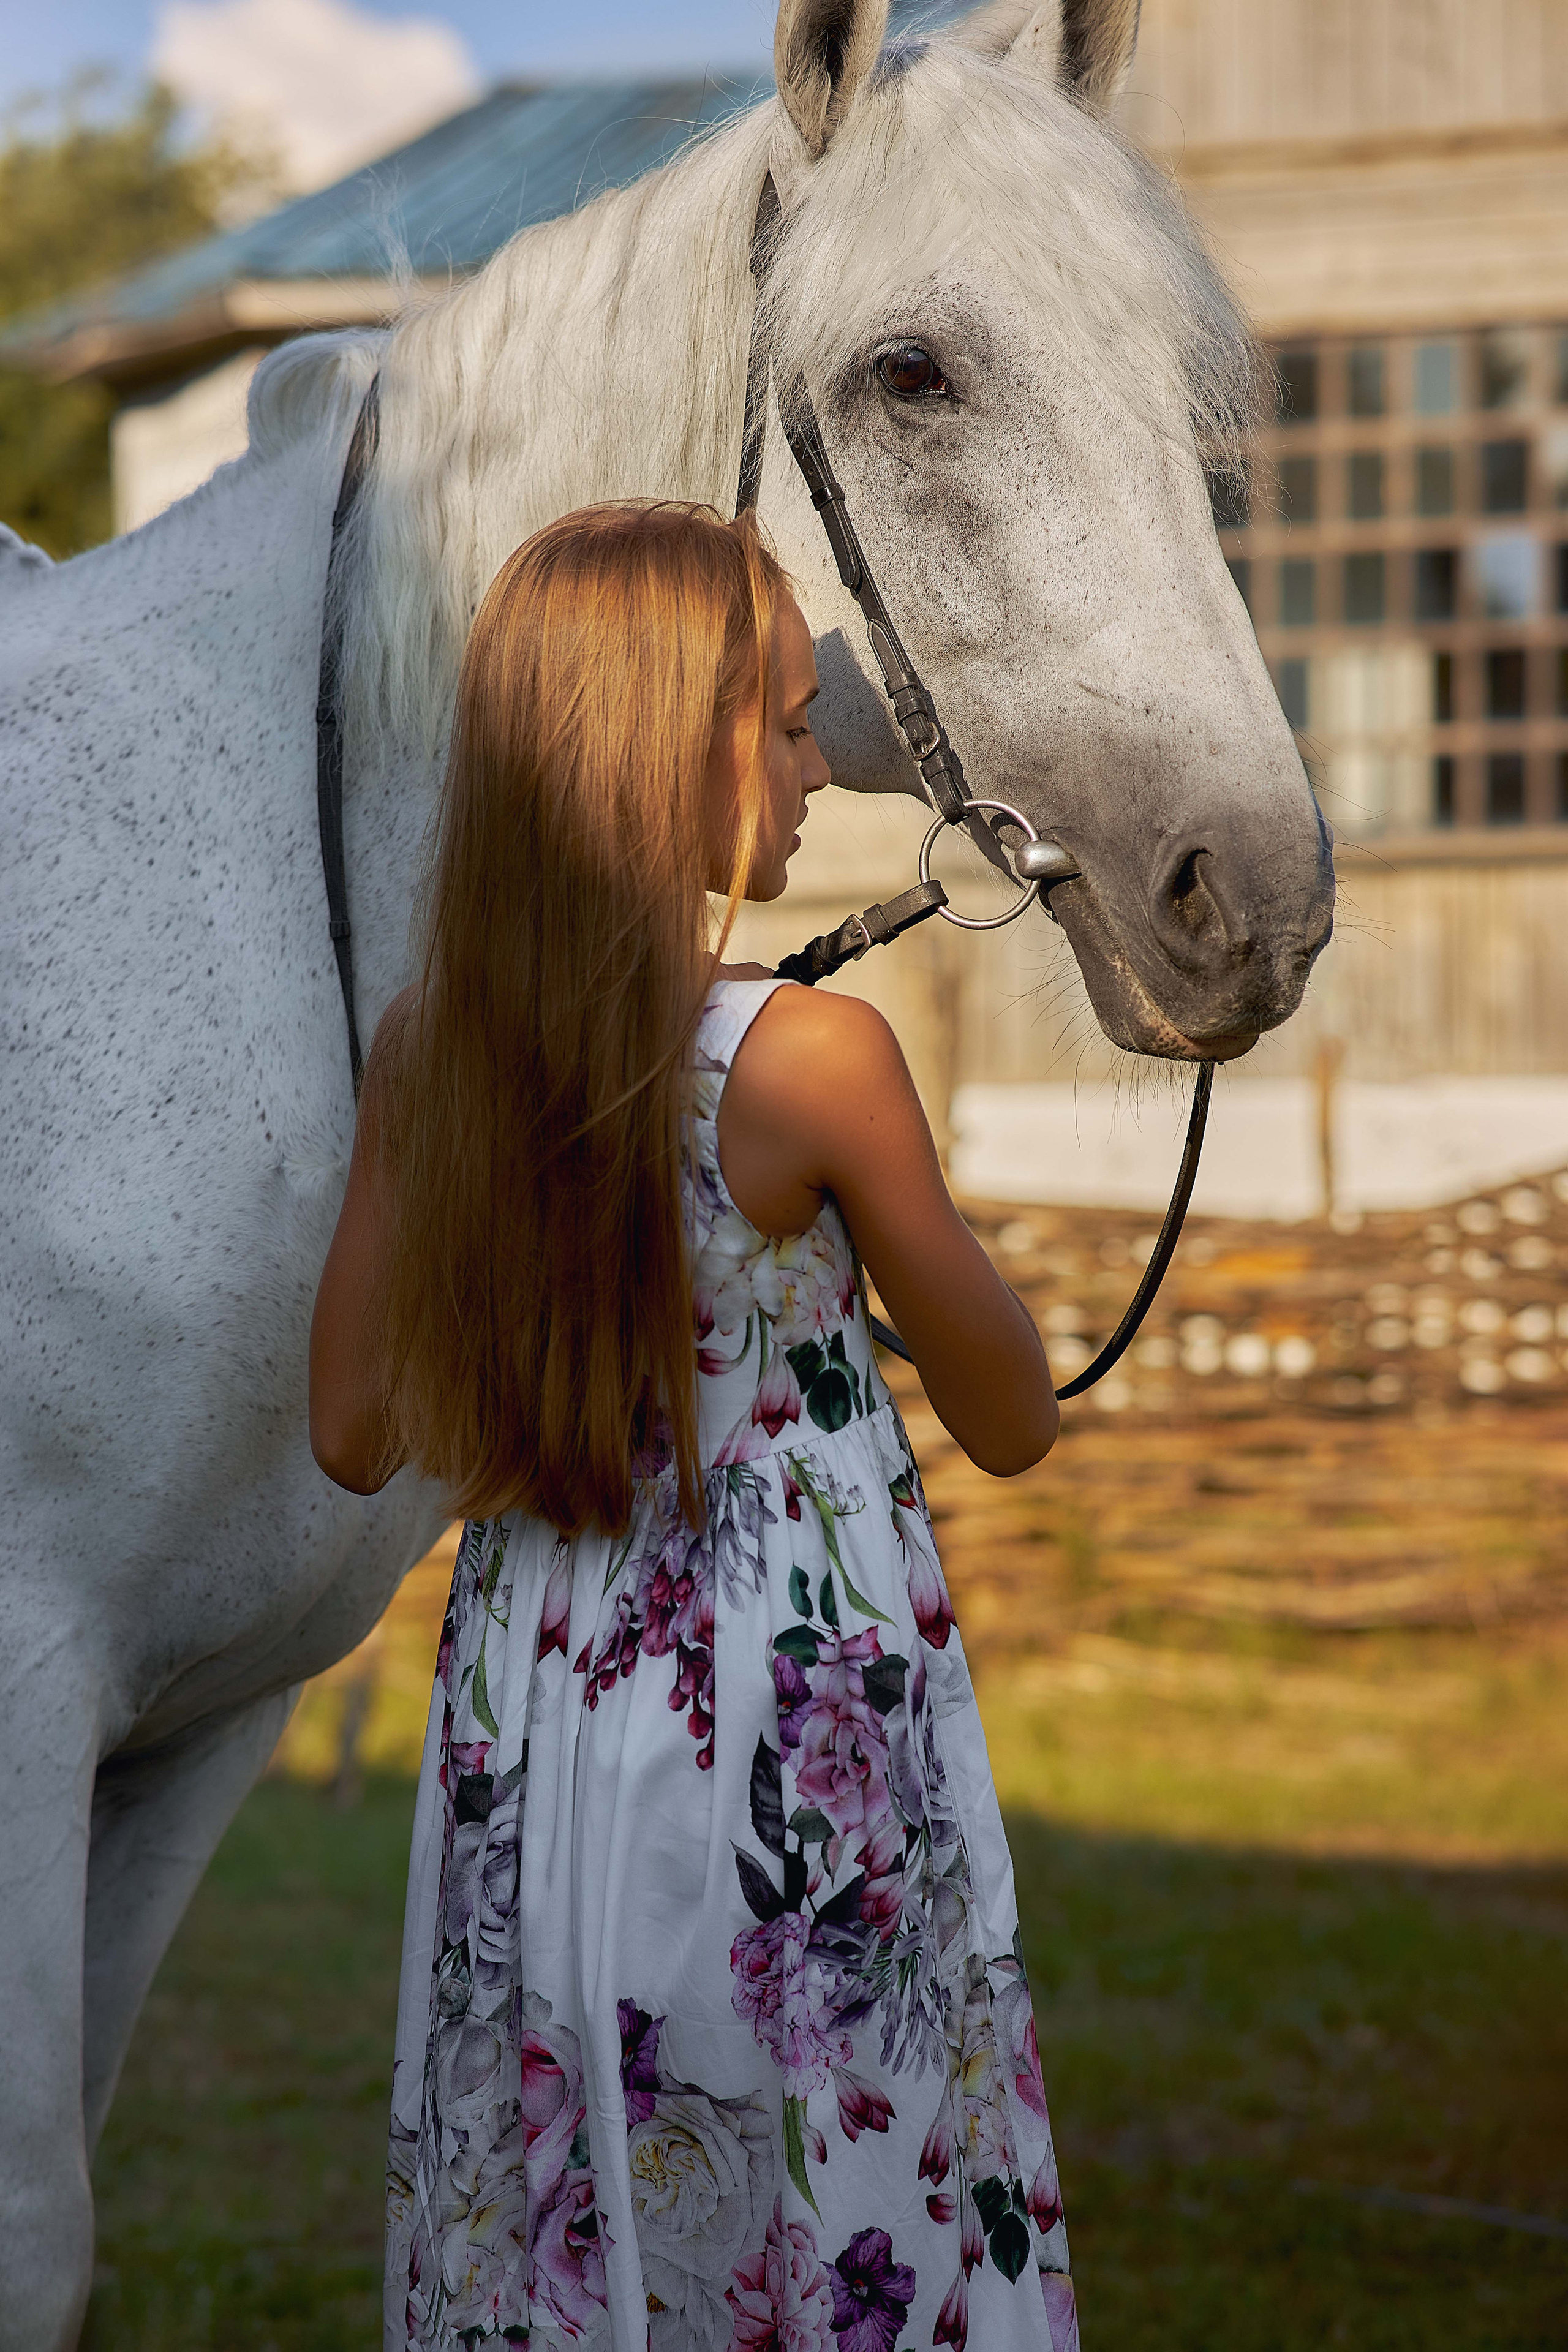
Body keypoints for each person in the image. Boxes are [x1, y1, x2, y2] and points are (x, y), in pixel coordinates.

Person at [309, 501, 1076, 2352]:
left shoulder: (431, 1057)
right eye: (792, 725)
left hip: (538, 1702)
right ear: (679, 751)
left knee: (564, 2163)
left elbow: (350, 1430)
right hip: (780, 1709)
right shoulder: (818, 1063)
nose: (817, 774)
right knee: (817, 2151)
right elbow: (1014, 1414)